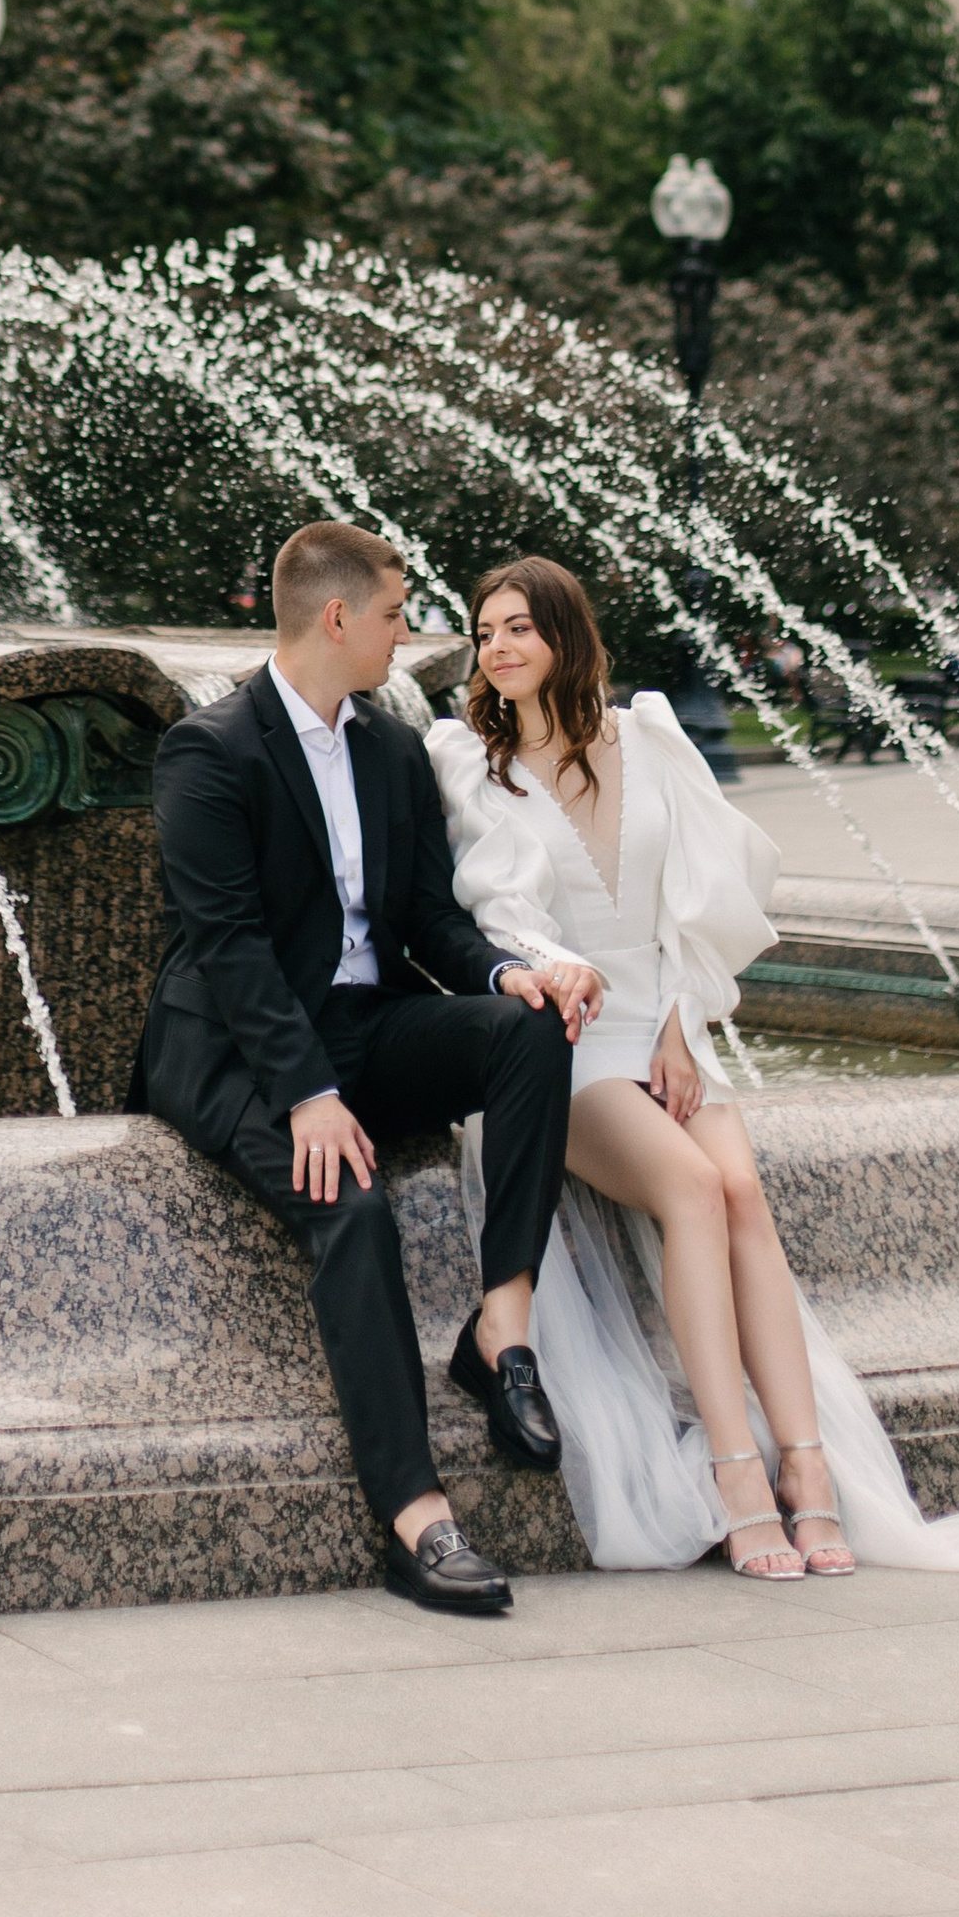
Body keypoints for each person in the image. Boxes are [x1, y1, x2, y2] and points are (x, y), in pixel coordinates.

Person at [429, 557, 959, 1582]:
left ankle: (807, 1473)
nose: (497, 647)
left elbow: (706, 890)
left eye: (518, 627)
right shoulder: (469, 759)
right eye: (483, 630)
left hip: (663, 1019)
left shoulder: (646, 737)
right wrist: (559, 972)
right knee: (687, 1187)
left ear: (563, 633)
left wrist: (679, 1021)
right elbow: (498, 911)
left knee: (740, 1192)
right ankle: (735, 1476)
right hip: (566, 1038)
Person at [133, 520, 601, 1620]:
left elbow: (430, 917)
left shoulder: (391, 748)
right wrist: (307, 1094)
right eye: (396, 613)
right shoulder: (210, 750)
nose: (409, 633)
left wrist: (504, 971)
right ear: (336, 618)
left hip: (365, 1022)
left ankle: (498, 1328)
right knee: (351, 1206)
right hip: (237, 1050)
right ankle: (416, 1517)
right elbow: (230, 944)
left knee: (527, 1032)